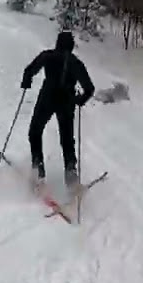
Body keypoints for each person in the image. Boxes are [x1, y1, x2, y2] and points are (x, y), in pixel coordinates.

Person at [21, 31, 95, 190]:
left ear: (57, 43)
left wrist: (27, 81)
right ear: (72, 46)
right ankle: (71, 176)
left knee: (35, 131)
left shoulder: (48, 56)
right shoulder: (76, 63)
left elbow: (29, 70)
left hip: (47, 97)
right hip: (67, 101)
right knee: (67, 139)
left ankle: (38, 171)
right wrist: (80, 100)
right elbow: (89, 88)